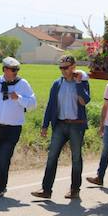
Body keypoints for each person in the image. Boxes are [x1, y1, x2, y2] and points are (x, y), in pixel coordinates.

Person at [0, 57, 37, 197]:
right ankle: (1, 185)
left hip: (13, 128)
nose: (15, 72)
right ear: (4, 70)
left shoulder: (22, 84)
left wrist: (20, 98)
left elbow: (33, 103)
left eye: (17, 70)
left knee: (4, 157)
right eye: (13, 70)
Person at [32, 55, 91, 200]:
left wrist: (78, 84)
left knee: (76, 158)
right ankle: (46, 190)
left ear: (73, 67)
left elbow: (84, 101)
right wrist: (45, 125)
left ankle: (75, 189)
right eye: (61, 68)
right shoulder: (56, 84)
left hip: (76, 125)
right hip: (60, 124)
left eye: (66, 67)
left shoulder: (82, 82)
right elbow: (50, 105)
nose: (63, 70)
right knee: (52, 157)